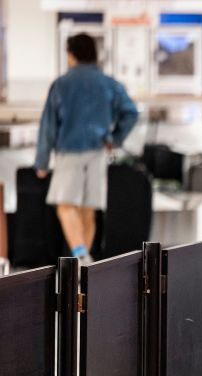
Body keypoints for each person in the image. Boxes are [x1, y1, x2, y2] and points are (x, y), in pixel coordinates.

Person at [33, 33, 137, 265]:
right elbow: (131, 112)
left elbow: (48, 126)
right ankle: (83, 267)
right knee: (88, 208)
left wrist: (41, 162)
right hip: (99, 151)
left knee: (65, 206)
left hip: (69, 151)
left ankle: (80, 254)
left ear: (71, 54)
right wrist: (115, 139)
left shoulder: (62, 84)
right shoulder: (109, 83)